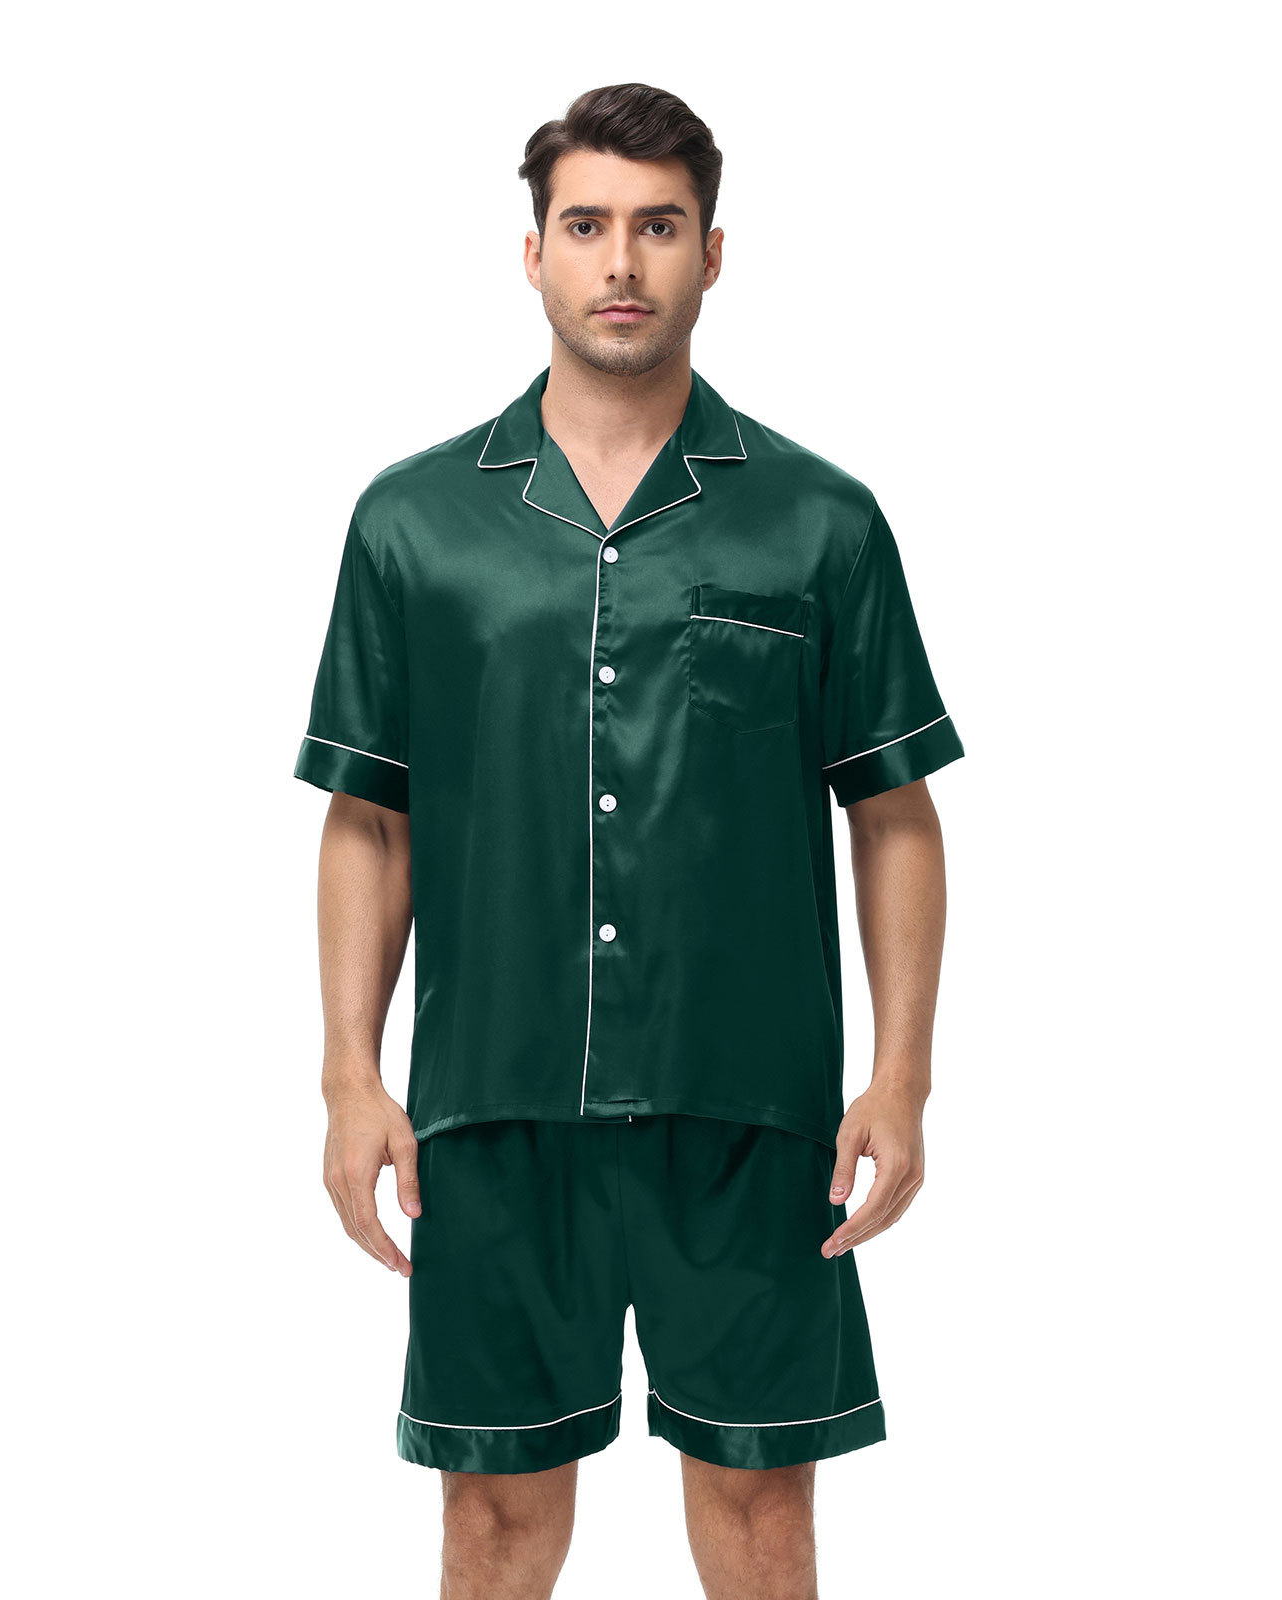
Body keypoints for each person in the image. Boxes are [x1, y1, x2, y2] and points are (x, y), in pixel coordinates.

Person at [294, 82, 963, 1600]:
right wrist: (349, 1074)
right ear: (530, 252)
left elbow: (895, 810)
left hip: (750, 1112)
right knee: (493, 1521)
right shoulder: (412, 523)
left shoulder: (819, 521)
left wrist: (902, 1078)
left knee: (761, 1516)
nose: (620, 261)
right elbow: (370, 816)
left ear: (712, 254)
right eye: (586, 224)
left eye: (658, 227)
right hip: (492, 1112)